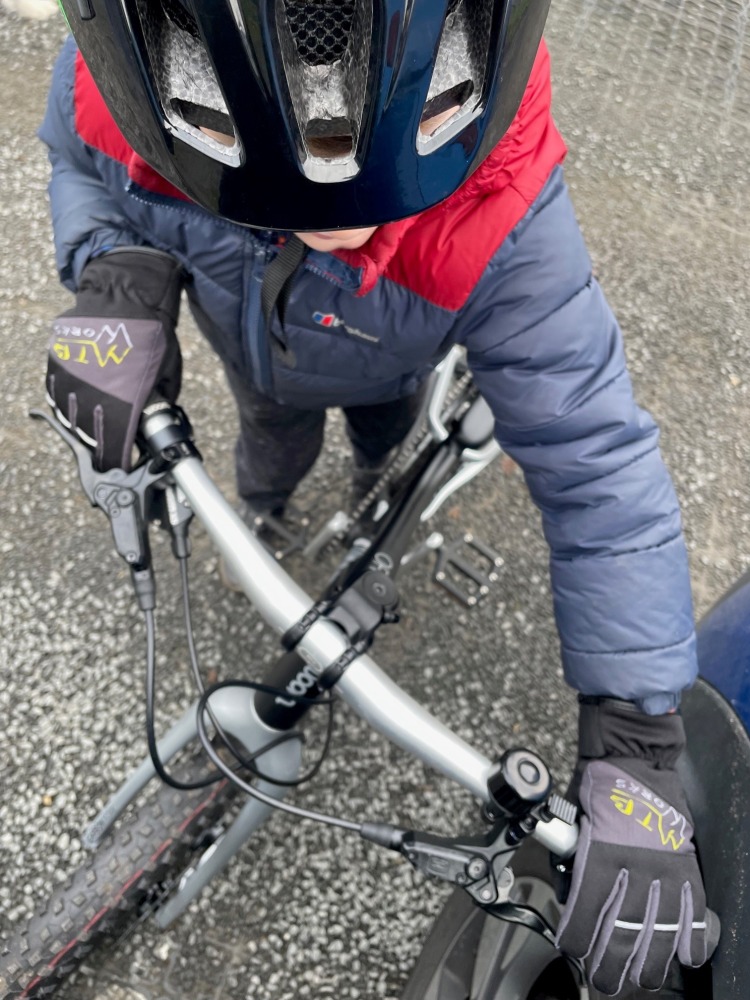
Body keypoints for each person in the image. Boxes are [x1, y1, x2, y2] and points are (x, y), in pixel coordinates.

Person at [40, 0, 718, 994]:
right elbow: (78, 165)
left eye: (375, 200)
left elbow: (598, 458)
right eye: (285, 202)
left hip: (385, 368)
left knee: (380, 439)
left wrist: (638, 732)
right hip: (259, 368)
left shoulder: (509, 210)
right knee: (267, 450)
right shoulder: (121, 98)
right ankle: (274, 505)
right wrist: (114, 270)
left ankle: (368, 477)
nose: (337, 232)